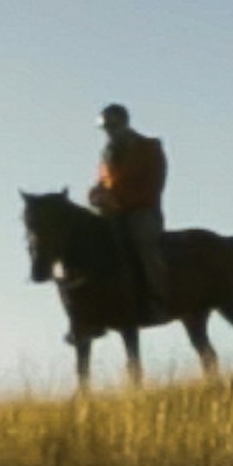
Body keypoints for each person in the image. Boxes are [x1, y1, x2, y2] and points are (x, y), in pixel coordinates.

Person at [89, 103, 170, 315]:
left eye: (112, 126)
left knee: (144, 244)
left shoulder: (149, 148)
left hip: (141, 212)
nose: (109, 131)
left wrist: (118, 199)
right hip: (111, 213)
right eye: (105, 127)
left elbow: (153, 186)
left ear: (124, 123)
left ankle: (158, 298)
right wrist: (95, 195)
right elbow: (103, 181)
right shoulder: (107, 153)